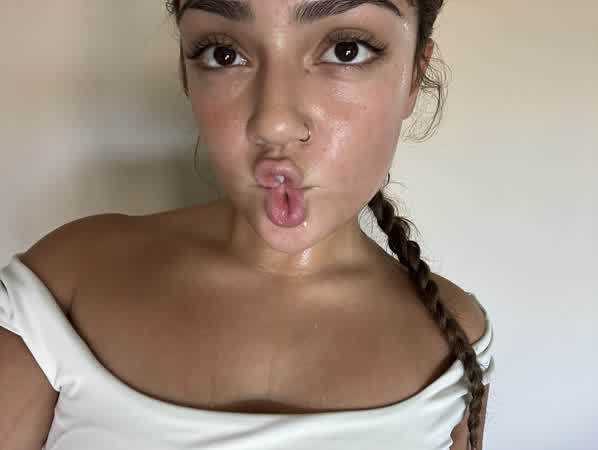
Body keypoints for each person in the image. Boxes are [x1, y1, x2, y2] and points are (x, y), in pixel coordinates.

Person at [0, 0, 495, 449]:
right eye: (223, 54)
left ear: (414, 76)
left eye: (346, 50)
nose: (273, 123)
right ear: (186, 73)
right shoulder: (64, 288)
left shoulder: (453, 342)